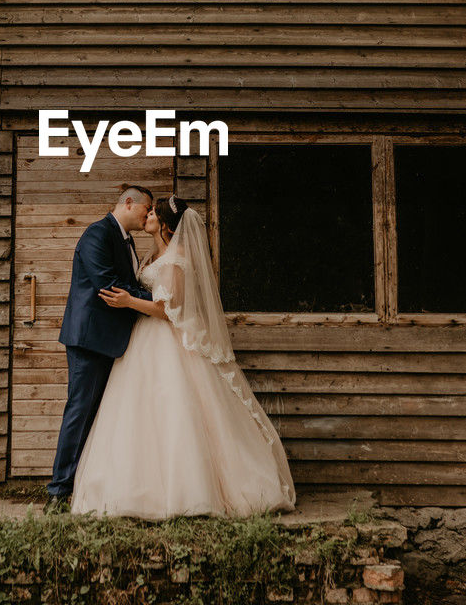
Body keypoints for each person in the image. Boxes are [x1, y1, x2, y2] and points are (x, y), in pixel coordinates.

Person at [70, 195, 296, 519]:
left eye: (152, 213)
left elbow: (167, 310)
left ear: (164, 224)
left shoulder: (179, 259)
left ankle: (188, 491)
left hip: (168, 339)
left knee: (176, 409)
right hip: (142, 341)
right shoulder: (150, 255)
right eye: (146, 210)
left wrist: (128, 302)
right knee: (139, 413)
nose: (146, 215)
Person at [46, 185, 155, 506]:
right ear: (129, 203)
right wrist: (159, 302)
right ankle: (58, 492)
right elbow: (109, 286)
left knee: (99, 415)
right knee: (79, 412)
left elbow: (129, 283)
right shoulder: (97, 234)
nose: (148, 215)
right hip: (90, 339)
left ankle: (86, 487)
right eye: (146, 209)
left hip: (112, 341)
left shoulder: (126, 239)